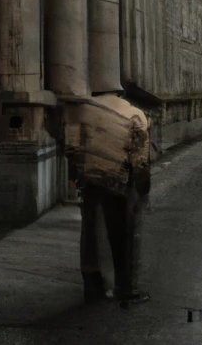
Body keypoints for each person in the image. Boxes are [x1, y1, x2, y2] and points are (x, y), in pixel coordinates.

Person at [63, 95, 152, 308]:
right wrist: (142, 190)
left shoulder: (82, 111)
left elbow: (71, 148)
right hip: (119, 183)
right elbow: (139, 160)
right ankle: (126, 289)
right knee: (122, 236)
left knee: (90, 235)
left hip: (91, 182)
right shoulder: (134, 114)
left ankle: (93, 287)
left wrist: (81, 175)